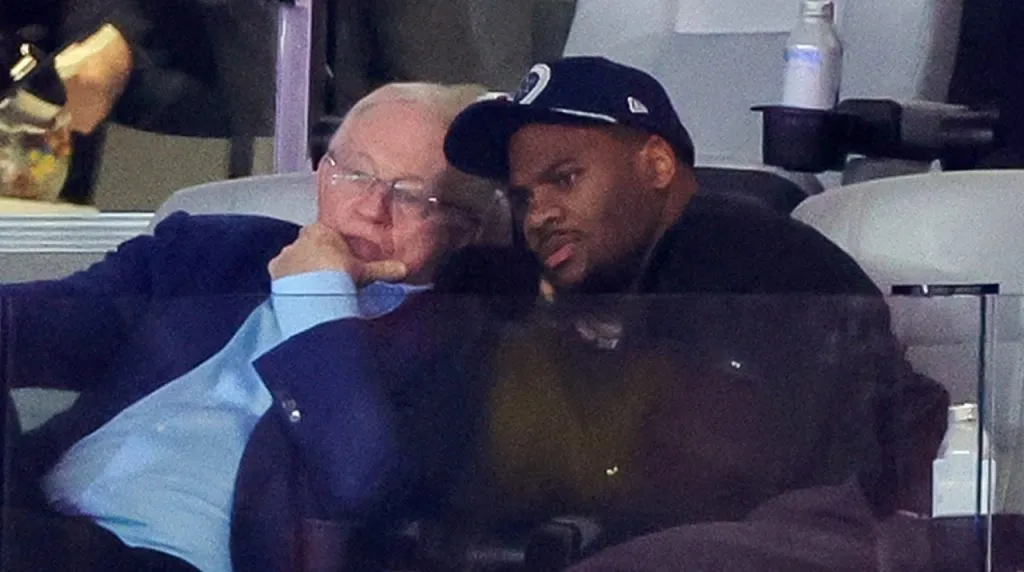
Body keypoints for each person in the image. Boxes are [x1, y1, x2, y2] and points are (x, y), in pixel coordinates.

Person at [441, 56, 949, 569]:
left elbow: (713, 478)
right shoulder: (645, 281)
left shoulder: (728, 250)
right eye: (524, 199)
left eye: (566, 178)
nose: (539, 216)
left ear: (657, 165)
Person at [1, 81, 511, 572]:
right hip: (38, 514)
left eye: (412, 197)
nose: (372, 209)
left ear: (466, 229)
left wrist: (316, 298)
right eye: (357, 174)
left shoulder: (464, 346)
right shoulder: (213, 253)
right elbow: (41, 322)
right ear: (321, 175)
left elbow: (359, 481)